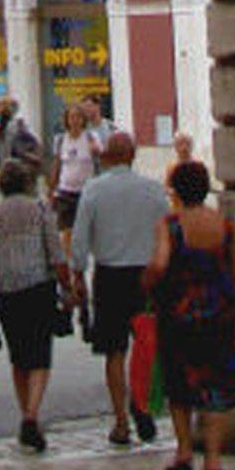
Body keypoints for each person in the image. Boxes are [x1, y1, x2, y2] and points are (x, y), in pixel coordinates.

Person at [141, 157, 235, 470]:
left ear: (177, 191)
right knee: (215, 388)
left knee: (179, 383)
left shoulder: (170, 224)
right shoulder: (225, 225)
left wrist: (146, 284)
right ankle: (213, 460)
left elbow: (160, 264)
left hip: (179, 314)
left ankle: (184, 451)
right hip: (218, 313)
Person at [69, 130, 169, 447]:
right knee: (146, 346)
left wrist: (77, 274)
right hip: (145, 276)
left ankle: (121, 422)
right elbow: (167, 231)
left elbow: (80, 238)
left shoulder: (94, 190)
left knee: (114, 351)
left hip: (109, 275)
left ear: (107, 156)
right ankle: (142, 405)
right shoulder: (153, 189)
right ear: (134, 155)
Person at [0, 158, 73, 451]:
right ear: (28, 182)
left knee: (19, 358)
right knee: (40, 355)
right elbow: (57, 255)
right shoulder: (40, 211)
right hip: (39, 288)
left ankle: (27, 416)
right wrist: (67, 287)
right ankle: (31, 415)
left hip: (7, 293)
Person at [49, 102, 100, 242]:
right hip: (65, 191)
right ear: (66, 120)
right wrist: (51, 190)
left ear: (83, 120)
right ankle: (69, 255)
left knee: (87, 229)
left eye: (78, 117)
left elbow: (101, 159)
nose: (75, 120)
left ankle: (83, 252)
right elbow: (57, 165)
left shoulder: (91, 137)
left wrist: (96, 151)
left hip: (86, 191)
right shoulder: (60, 140)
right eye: (71, 117)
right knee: (66, 231)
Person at [0, 95, 43, 176]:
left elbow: (35, 149)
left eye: (5, 106)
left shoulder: (20, 127)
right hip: (7, 172)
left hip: (20, 172)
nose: (1, 110)